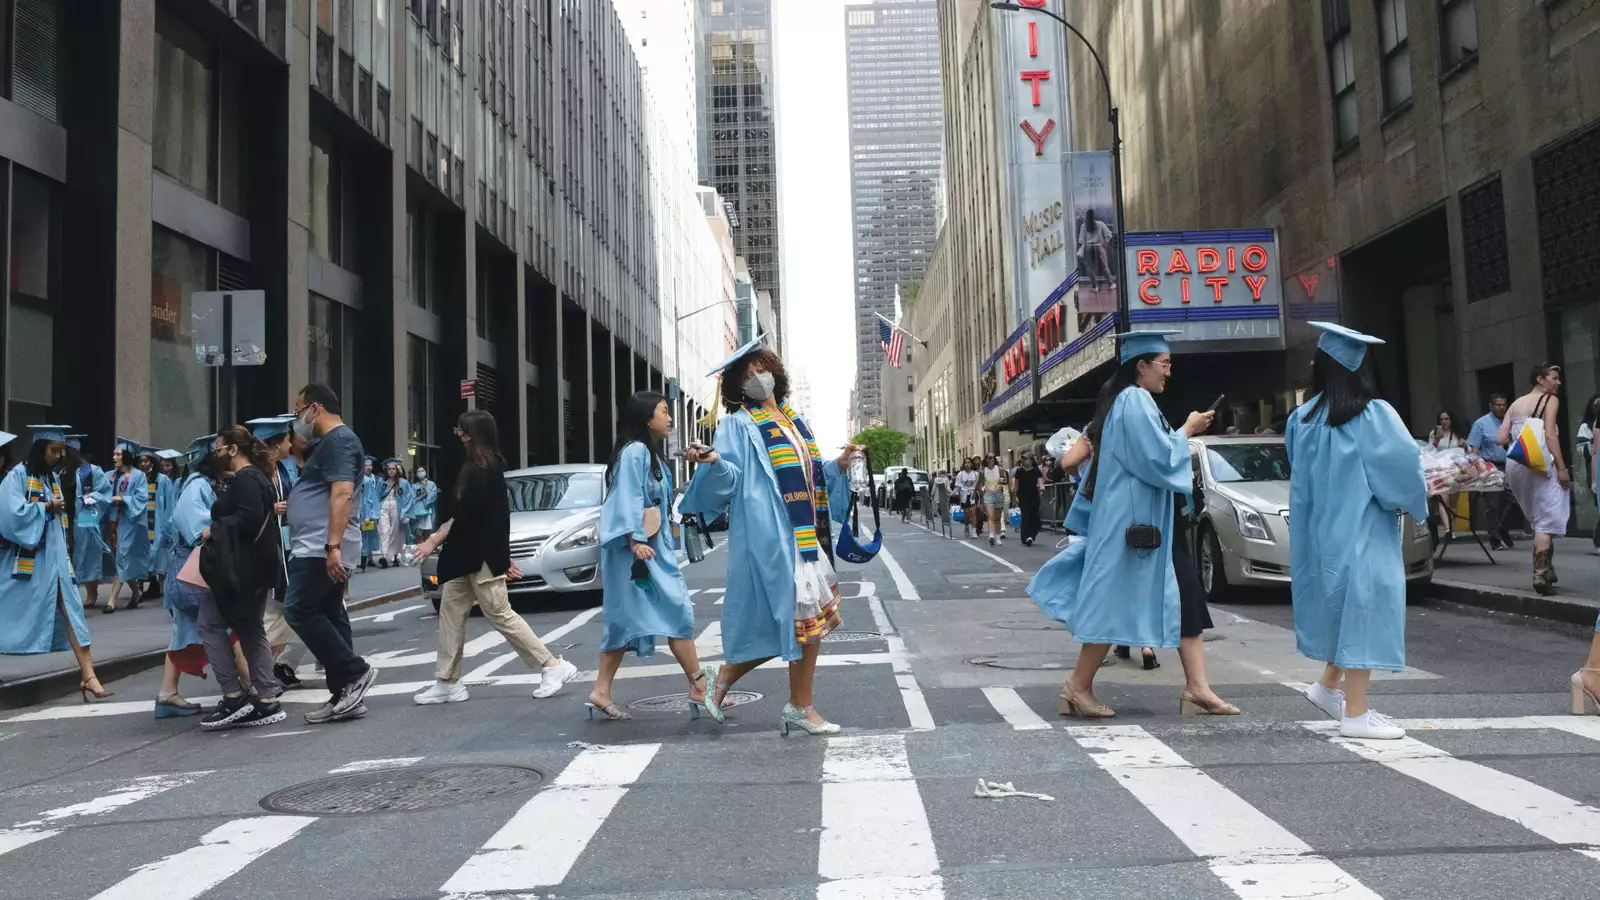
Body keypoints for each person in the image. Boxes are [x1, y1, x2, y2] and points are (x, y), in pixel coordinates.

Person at [1027, 331, 1235, 719]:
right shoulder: (1135, 400)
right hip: (1136, 526)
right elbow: (1155, 458)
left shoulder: (1125, 401)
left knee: (1180, 593)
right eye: (1164, 364)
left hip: (1143, 523)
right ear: (1142, 366)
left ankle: (1196, 687)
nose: (1168, 373)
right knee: (1112, 602)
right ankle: (1077, 686)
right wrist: (1187, 429)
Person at [679, 337, 856, 734]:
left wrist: (839, 464)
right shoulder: (738, 425)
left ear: (775, 370)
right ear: (737, 387)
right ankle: (799, 706)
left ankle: (724, 684)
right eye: (748, 374)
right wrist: (713, 461)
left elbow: (810, 476)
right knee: (803, 619)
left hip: (803, 534)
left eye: (762, 368)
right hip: (771, 535)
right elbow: (730, 479)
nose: (758, 377)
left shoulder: (794, 421)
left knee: (801, 621)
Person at [1288, 322, 1429, 740]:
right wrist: (1416, 503)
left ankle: (1328, 685)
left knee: (1339, 606)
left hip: (1319, 531)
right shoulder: (1373, 415)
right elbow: (1402, 470)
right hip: (1362, 527)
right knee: (1365, 609)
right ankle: (1357, 714)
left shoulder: (1301, 419)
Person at [411, 410, 578, 705]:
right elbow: (478, 517)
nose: (458, 434)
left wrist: (498, 559)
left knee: (500, 614)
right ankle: (447, 681)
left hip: (479, 557)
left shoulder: (483, 468)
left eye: (462, 430)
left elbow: (488, 519)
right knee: (450, 613)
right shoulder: (477, 466)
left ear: (473, 433)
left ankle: (553, 666)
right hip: (466, 556)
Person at [581, 392, 707, 720]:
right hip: (637, 553)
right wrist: (635, 541)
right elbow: (627, 497)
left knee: (629, 621)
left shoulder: (648, 454)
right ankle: (699, 685)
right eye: (664, 412)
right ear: (647, 418)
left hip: (649, 549)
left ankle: (601, 691)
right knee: (673, 611)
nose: (669, 419)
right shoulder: (636, 452)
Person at [286, 384, 379, 723]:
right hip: (317, 543)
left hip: (320, 545)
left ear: (315, 408)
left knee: (298, 609)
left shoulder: (339, 441)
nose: (297, 419)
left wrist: (332, 547)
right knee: (329, 611)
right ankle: (344, 693)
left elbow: (341, 493)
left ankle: (354, 672)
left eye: (298, 411)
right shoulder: (330, 444)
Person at [0, 426, 110, 700]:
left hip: (56, 559)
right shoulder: (17, 477)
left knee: (73, 610)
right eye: (54, 451)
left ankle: (89, 675)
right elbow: (10, 516)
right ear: (40, 450)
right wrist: (47, 507)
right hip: (28, 562)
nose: (59, 456)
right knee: (9, 616)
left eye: (61, 451)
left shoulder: (50, 478)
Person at [194, 426, 288, 730]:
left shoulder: (246, 480)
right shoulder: (257, 477)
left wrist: (214, 530)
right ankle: (267, 697)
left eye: (220, 449)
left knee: (209, 624)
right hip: (253, 569)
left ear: (233, 449)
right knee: (250, 630)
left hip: (240, 571)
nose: (217, 454)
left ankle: (233, 695)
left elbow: (247, 519)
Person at [1496, 363, 1571, 595]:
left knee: (1540, 518)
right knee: (1546, 520)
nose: (1558, 383)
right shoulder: (1551, 400)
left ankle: (1547, 568)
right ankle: (1540, 574)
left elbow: (1500, 438)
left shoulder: (1516, 403)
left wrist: (1522, 441)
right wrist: (1561, 468)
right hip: (1540, 463)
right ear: (1540, 379)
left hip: (1516, 464)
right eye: (1554, 378)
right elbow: (1549, 434)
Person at [158, 436, 217, 720]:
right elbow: (196, 528)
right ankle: (248, 689)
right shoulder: (198, 485)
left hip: (186, 569)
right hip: (194, 569)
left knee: (183, 633)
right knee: (225, 628)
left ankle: (167, 693)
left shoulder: (193, 483)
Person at [246, 415, 305, 690]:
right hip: (265, 549)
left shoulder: (282, 469)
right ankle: (259, 673)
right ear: (274, 443)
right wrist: (272, 510)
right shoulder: (256, 473)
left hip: (283, 545)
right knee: (271, 612)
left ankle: (270, 670)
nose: (289, 442)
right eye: (285, 438)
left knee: (279, 610)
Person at [1466, 393, 1517, 551]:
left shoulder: (1511, 423)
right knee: (1493, 504)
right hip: (1490, 467)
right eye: (1498, 405)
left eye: (1504, 405)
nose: (1502, 408)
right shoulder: (1481, 424)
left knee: (1516, 500)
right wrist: (1478, 471)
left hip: (1510, 465)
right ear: (1491, 406)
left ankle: (1503, 527)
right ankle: (1494, 537)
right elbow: (1474, 449)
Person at [67, 438, 112, 613]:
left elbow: (105, 493)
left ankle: (91, 592)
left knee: (88, 553)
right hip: (68, 516)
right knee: (72, 554)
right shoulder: (63, 470)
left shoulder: (92, 471)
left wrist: (88, 497)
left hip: (86, 516)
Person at [107, 437, 150, 614]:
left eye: (118, 454)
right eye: (114, 454)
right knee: (123, 558)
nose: (114, 457)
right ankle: (136, 592)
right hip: (113, 521)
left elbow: (141, 499)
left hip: (131, 521)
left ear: (126, 456)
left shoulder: (138, 476)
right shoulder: (110, 475)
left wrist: (123, 499)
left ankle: (111, 600)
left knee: (122, 556)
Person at [1426, 410, 1466, 548]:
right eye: (1442, 419)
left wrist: (1464, 445)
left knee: (1452, 503)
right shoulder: (1434, 434)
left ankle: (1448, 525)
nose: (1444, 421)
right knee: (1445, 499)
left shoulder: (1457, 435)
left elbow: (1465, 452)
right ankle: (1449, 529)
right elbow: (1429, 452)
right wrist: (1436, 440)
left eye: (1447, 418)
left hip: (1455, 468)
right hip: (1441, 469)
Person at [138, 448, 172, 602]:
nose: (143, 464)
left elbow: (169, 504)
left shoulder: (162, 479)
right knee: (142, 553)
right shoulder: (137, 478)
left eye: (146, 461)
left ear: (152, 462)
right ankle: (141, 586)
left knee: (158, 554)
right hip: (142, 522)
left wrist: (167, 523)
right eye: (141, 461)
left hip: (158, 522)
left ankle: (158, 586)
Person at [1078, 208, 1115, 289]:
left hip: (1088, 247)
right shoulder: (1100, 224)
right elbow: (1109, 234)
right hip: (1099, 246)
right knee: (1104, 265)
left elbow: (1080, 240)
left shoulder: (1084, 226)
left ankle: (1095, 286)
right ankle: (1111, 283)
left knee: (1090, 268)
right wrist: (1105, 243)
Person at [1012, 451, 1043, 546]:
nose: (1024, 461)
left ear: (1031, 460)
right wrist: (1015, 497)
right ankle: (1026, 536)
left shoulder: (1036, 470)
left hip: (1034, 496)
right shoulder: (1019, 471)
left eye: (1026, 459)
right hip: (1023, 496)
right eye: (1023, 459)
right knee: (1026, 516)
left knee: (1035, 517)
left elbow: (1040, 480)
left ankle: (1032, 535)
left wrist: (1041, 487)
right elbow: (1016, 486)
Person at [980, 454, 1007, 545]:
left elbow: (1005, 481)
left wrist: (1001, 481)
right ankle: (991, 535)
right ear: (986, 460)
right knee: (990, 516)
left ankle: (998, 537)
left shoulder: (999, 469)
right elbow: (979, 483)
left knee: (998, 517)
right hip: (988, 494)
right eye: (989, 458)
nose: (991, 459)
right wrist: (981, 493)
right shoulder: (983, 471)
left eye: (992, 458)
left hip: (998, 493)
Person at [359, 456, 380, 570]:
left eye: (369, 465)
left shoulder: (374, 479)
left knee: (367, 535)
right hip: (359, 510)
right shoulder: (357, 479)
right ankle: (361, 558)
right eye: (365, 465)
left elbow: (371, 499)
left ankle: (367, 558)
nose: (368, 467)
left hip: (369, 511)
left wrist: (372, 514)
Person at [408, 466, 438, 548]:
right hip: (417, 511)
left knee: (428, 529)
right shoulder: (414, 486)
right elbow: (412, 498)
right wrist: (420, 498)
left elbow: (433, 496)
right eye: (418, 471)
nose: (420, 472)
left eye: (422, 470)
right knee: (418, 529)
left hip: (428, 510)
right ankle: (420, 546)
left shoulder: (431, 484)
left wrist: (426, 491)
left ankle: (428, 545)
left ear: (425, 472)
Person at [954, 460, 979, 538]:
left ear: (971, 464)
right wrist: (952, 493)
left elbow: (978, 485)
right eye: (966, 463)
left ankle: (974, 531)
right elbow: (958, 486)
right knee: (967, 513)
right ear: (964, 464)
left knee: (974, 513)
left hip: (973, 494)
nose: (967, 464)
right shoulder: (960, 474)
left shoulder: (976, 474)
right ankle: (966, 526)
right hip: (964, 494)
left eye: (969, 463)